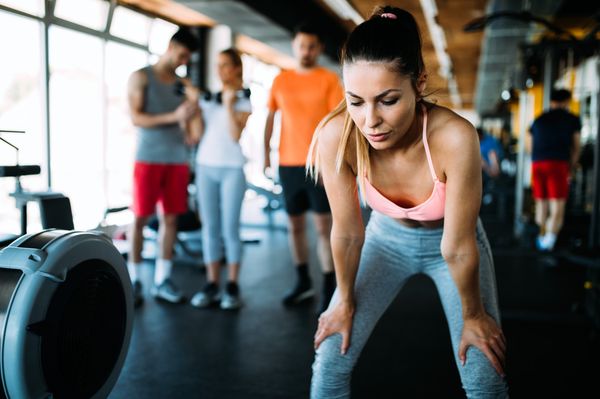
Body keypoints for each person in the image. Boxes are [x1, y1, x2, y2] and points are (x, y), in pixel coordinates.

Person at [307, 6, 508, 398]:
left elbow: (457, 245)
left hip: (453, 244)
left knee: (484, 373)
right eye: (356, 101)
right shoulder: (337, 135)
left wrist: (473, 315)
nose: (370, 121)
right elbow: (347, 234)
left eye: (387, 100)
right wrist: (343, 301)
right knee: (330, 357)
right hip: (385, 242)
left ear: (419, 83)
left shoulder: (454, 137)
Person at [264, 21, 344, 314]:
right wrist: (265, 154)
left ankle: (329, 287)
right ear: (294, 46)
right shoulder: (281, 80)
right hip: (288, 164)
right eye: (301, 46)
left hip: (318, 165)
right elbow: (271, 118)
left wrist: (329, 161)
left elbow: (336, 124)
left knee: (324, 228)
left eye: (312, 46)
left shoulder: (329, 79)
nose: (306, 51)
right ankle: (302, 282)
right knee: (294, 225)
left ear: (319, 49)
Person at [127, 27, 201, 306]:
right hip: (148, 158)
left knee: (171, 219)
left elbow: (193, 128)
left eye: (188, 58)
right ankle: (133, 279)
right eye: (182, 55)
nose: (184, 61)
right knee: (140, 219)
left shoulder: (182, 85)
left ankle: (162, 280)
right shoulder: (141, 77)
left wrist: (192, 111)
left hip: (177, 160)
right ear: (171, 46)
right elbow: (136, 117)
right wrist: (174, 115)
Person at [190, 48, 251, 310]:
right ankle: (212, 283)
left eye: (225, 65)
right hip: (205, 166)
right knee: (210, 228)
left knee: (230, 229)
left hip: (232, 169)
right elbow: (196, 133)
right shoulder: (209, 99)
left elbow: (235, 135)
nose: (220, 70)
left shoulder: (244, 100)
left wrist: (228, 105)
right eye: (218, 65)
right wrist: (194, 109)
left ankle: (232, 286)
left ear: (236, 68)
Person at [528, 88, 581, 252]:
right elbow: (576, 146)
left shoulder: (539, 118)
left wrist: (536, 157)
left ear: (551, 102)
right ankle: (548, 242)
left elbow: (529, 141)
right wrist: (572, 166)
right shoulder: (572, 119)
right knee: (557, 204)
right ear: (566, 102)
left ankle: (541, 236)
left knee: (541, 202)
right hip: (558, 164)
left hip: (538, 163)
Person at [477, 127, 503, 205]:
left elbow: (493, 155)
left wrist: (493, 168)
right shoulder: (476, 142)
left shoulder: (490, 140)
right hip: (483, 169)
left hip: (494, 166)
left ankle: (493, 175)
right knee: (480, 159)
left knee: (490, 156)